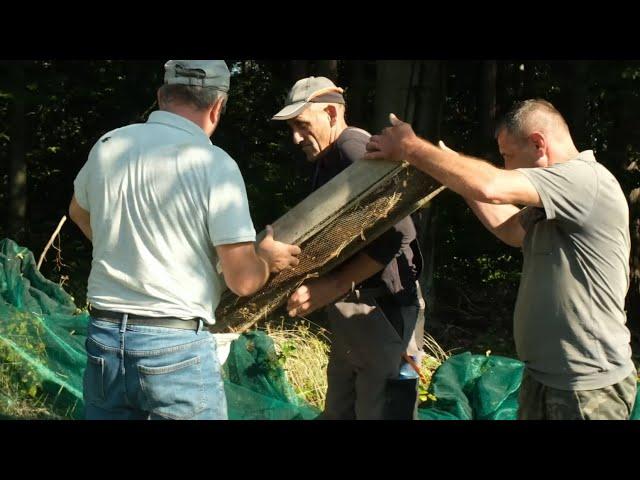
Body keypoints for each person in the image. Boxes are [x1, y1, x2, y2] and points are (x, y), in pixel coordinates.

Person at [364, 99, 637, 420]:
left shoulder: (582, 180)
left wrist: (410, 147)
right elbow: (509, 229)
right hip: (546, 377)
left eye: (508, 156)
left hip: (587, 386)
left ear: (538, 144)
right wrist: (452, 173)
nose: (506, 167)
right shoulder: (554, 202)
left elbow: (491, 185)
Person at [69, 60, 301, 420]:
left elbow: (78, 212)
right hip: (174, 346)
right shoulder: (214, 165)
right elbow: (242, 281)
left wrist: (119, 250)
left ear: (162, 96)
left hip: (104, 337)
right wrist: (266, 258)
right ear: (217, 106)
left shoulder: (109, 144)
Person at [273, 76, 425, 419]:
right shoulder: (328, 159)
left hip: (382, 309)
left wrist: (334, 285)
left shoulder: (351, 147)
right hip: (355, 313)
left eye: (302, 125)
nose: (296, 137)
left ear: (330, 112)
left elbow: (398, 231)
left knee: (384, 408)